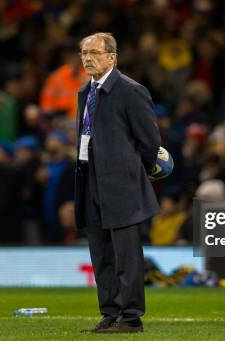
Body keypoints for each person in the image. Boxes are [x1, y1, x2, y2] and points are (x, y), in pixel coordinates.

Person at [74, 33, 160, 333]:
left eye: (95, 52)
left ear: (112, 57)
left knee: (127, 255)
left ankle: (131, 316)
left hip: (121, 184)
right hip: (90, 179)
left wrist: (135, 171)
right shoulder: (86, 92)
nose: (88, 58)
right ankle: (110, 312)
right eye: (84, 52)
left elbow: (150, 141)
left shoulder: (130, 91)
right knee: (101, 254)